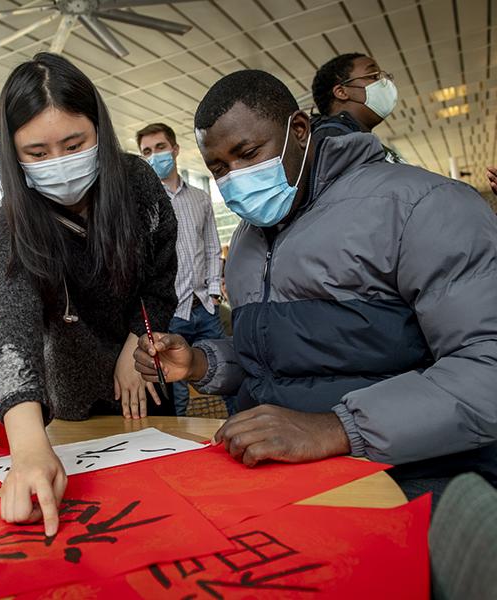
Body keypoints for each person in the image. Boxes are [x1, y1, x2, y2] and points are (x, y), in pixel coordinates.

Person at [135, 69, 497, 505]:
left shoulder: (422, 206)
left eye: (248, 153)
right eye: (218, 168)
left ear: (300, 130)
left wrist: (337, 427)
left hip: (409, 476)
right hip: (281, 475)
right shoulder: (251, 236)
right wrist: (198, 363)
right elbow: (281, 357)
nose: (234, 178)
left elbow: (486, 367)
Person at [0, 52, 177, 536]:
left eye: (74, 144)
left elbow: (161, 277)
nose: (60, 165)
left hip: (143, 369)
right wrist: (27, 450)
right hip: (69, 390)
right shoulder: (11, 226)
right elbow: (13, 338)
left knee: (162, 511)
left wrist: (136, 343)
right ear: (14, 152)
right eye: (38, 154)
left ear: (99, 131)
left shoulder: (136, 183)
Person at [136, 122, 226, 415]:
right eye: (146, 151)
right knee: (177, 393)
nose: (154, 156)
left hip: (204, 307)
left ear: (174, 149)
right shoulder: (143, 205)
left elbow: (212, 247)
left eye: (160, 148)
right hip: (172, 313)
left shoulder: (200, 198)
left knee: (227, 377)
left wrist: (214, 292)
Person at [310, 53, 404, 163]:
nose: (384, 82)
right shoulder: (334, 140)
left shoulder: (355, 137)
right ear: (341, 92)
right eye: (373, 76)